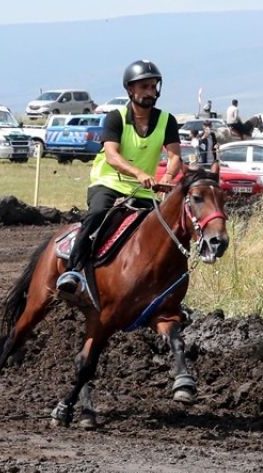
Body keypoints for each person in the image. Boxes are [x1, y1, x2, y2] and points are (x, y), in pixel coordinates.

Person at [55, 60, 183, 304]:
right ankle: (72, 271)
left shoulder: (167, 121)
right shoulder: (115, 118)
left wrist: (167, 176)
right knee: (98, 214)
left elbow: (175, 156)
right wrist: (139, 174)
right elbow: (112, 156)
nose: (150, 91)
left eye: (153, 86)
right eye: (144, 86)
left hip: (145, 190)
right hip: (109, 182)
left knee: (160, 231)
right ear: (130, 90)